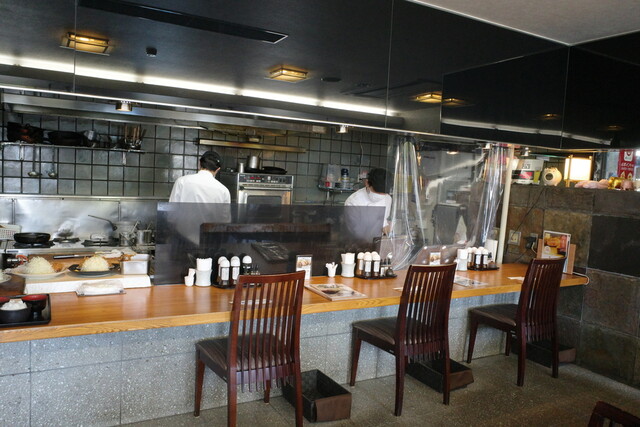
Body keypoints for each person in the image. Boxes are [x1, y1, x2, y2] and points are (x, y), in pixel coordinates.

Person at [344, 168, 392, 235]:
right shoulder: (353, 202)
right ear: (367, 183)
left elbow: (383, 221)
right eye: (376, 191)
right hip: (359, 239)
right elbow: (354, 231)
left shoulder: (387, 198)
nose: (380, 195)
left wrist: (387, 227)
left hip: (379, 238)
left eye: (383, 193)